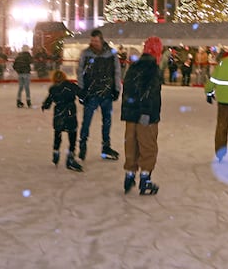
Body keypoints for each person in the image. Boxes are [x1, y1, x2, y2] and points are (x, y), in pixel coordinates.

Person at [120, 36, 163, 195]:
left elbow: (128, 91)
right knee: (147, 146)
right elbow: (150, 93)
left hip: (131, 114)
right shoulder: (153, 69)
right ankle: (145, 179)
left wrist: (128, 112)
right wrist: (146, 112)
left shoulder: (134, 66)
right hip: (146, 116)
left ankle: (129, 175)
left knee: (131, 145)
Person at [77, 29, 122, 161]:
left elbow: (117, 71)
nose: (93, 43)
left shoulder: (111, 53)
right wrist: (81, 90)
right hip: (91, 93)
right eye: (92, 40)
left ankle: (106, 146)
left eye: (95, 41)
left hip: (106, 93)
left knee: (107, 121)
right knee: (86, 121)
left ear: (101, 40)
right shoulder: (86, 54)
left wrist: (117, 89)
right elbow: (80, 72)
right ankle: (83, 145)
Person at [41, 70, 84, 172]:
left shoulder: (53, 89)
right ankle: (70, 157)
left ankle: (56, 153)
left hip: (59, 113)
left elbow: (48, 103)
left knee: (58, 134)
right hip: (70, 113)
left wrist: (45, 106)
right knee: (72, 136)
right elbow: (81, 95)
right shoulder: (71, 85)